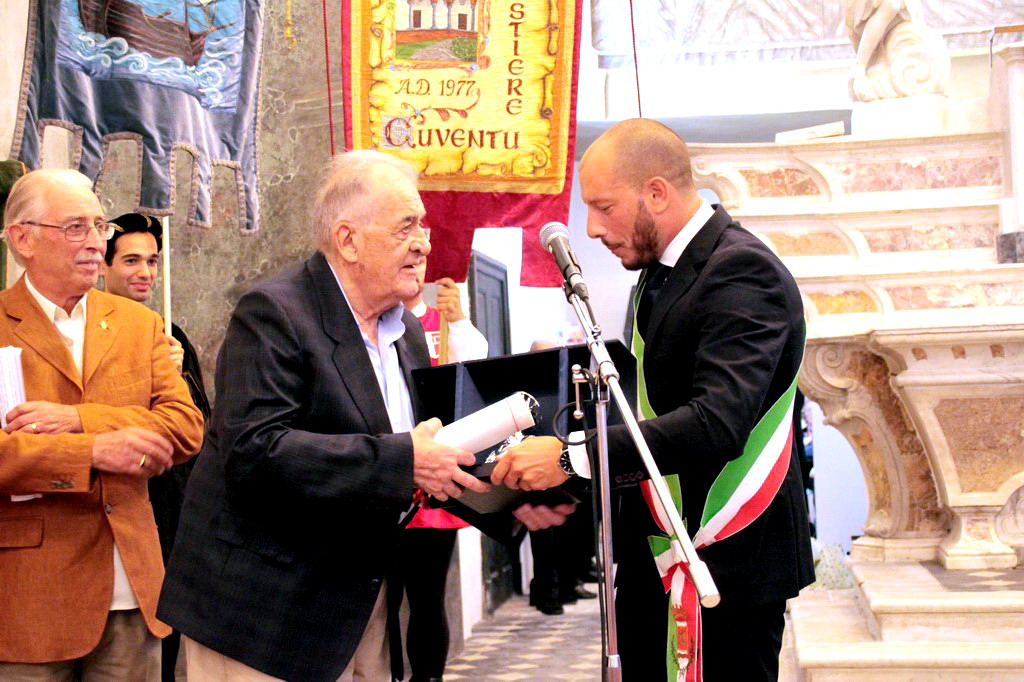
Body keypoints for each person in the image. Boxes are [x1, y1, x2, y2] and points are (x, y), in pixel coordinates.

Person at [491, 118, 815, 680]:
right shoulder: (660, 274)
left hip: (728, 555)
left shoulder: (741, 270)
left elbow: (717, 423)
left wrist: (570, 457)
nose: (591, 229)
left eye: (604, 207)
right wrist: (571, 487)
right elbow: (648, 415)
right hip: (659, 546)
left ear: (657, 193)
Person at [156, 150, 496, 682]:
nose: (424, 244)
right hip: (264, 616)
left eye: (422, 226)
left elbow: (418, 448)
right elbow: (255, 451)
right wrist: (405, 460)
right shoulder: (274, 313)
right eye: (406, 226)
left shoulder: (405, 331)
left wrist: (508, 493)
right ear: (348, 240)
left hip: (362, 603)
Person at [0, 168, 205, 679]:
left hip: (134, 591)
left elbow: (185, 426)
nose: (95, 242)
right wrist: (90, 453)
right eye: (76, 227)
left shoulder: (140, 324)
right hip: (29, 598)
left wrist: (80, 421)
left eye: (99, 226)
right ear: (22, 239)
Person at [102, 211, 212, 682]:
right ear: (103, 265)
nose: (145, 272)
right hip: (118, 505)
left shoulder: (170, 333)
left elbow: (200, 425)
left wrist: (177, 376)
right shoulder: (92, 336)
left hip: (171, 507)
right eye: (131, 260)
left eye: (152, 261)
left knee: (167, 635)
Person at [394, 264, 487, 680]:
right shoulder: (366, 323)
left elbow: (475, 371)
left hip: (431, 484)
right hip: (381, 474)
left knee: (427, 597)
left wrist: (458, 319)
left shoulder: (444, 325)